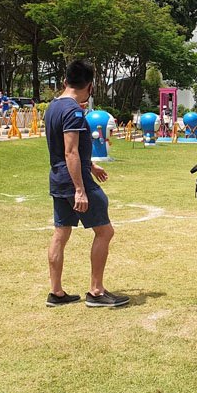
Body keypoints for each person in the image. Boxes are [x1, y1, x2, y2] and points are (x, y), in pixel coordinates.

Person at [44, 59, 129, 309]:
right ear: (90, 86)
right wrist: (80, 189)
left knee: (61, 233)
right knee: (105, 231)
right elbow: (70, 152)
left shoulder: (53, 107)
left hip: (58, 179)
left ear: (64, 81)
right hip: (74, 182)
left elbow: (63, 149)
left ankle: (56, 292)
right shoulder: (73, 111)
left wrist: (91, 165)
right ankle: (96, 291)